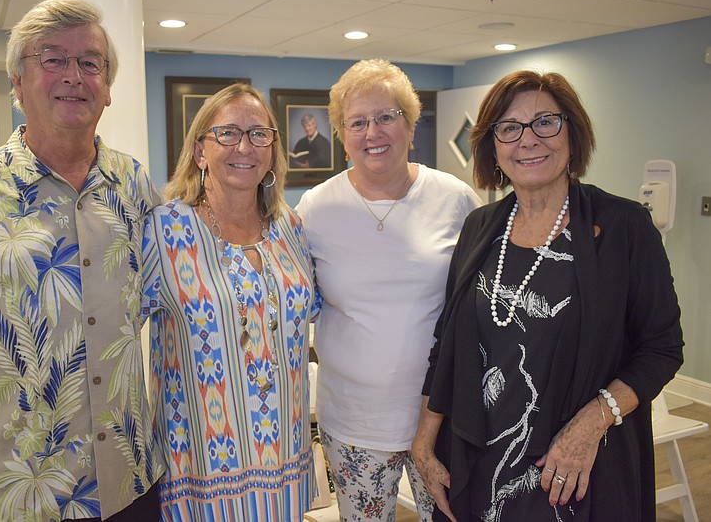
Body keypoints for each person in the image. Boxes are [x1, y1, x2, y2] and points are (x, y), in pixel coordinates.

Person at [0, 0, 165, 521]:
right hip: (20, 493)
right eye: (52, 59)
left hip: (129, 479)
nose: (74, 75)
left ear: (108, 88)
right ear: (18, 85)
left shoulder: (133, 185)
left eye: (90, 63)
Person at [411, 70, 685, 521]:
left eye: (545, 122)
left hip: (572, 468)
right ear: (493, 147)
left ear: (572, 134)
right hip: (478, 460)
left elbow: (661, 348)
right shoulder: (480, 228)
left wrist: (590, 424)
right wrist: (425, 440)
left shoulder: (623, 227)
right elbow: (448, 346)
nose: (528, 140)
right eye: (509, 128)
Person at [296, 58, 481, 521]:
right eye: (357, 122)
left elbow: (486, 297)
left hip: (441, 418)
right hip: (354, 423)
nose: (372, 132)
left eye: (386, 117)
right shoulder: (316, 208)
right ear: (341, 135)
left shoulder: (455, 199)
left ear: (410, 126)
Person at [141, 83, 319, 520]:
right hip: (201, 467)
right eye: (228, 133)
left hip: (285, 459)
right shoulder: (163, 230)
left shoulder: (289, 227)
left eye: (260, 134)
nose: (245, 146)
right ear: (200, 151)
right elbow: (114, 333)